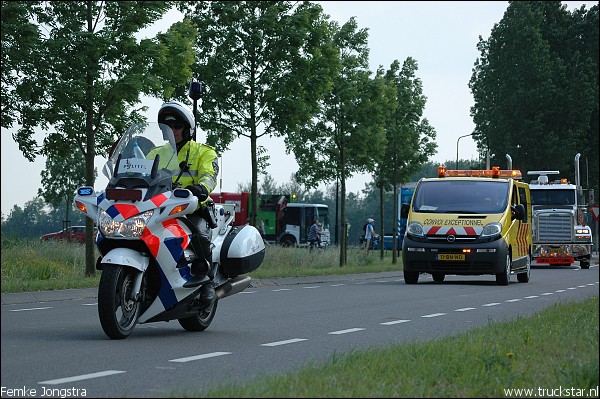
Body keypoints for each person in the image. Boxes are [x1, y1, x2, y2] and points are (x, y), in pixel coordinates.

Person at [154, 100, 219, 306]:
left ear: (188, 129)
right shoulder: (155, 153)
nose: (172, 131)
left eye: (177, 126)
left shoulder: (203, 152)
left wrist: (201, 188)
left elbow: (210, 176)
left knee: (198, 234)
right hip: (159, 209)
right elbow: (140, 174)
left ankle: (207, 281)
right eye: (168, 127)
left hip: (192, 209)